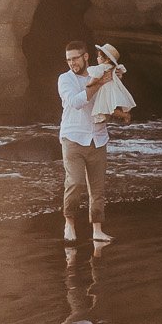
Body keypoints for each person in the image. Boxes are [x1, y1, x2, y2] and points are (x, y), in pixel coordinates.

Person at [58, 40, 115, 244]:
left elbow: (110, 99)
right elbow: (76, 102)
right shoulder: (65, 79)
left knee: (98, 189)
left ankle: (97, 230)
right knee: (75, 182)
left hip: (98, 137)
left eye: (75, 58)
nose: (72, 62)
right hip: (73, 137)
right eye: (68, 59)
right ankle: (69, 224)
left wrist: (122, 112)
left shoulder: (99, 74)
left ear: (86, 57)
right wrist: (99, 83)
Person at [90, 42, 137, 125]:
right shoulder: (113, 67)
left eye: (99, 56)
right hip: (108, 89)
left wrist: (89, 84)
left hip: (107, 90)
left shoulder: (102, 67)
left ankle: (125, 115)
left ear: (107, 59)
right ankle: (121, 116)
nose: (97, 58)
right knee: (107, 108)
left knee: (107, 108)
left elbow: (95, 77)